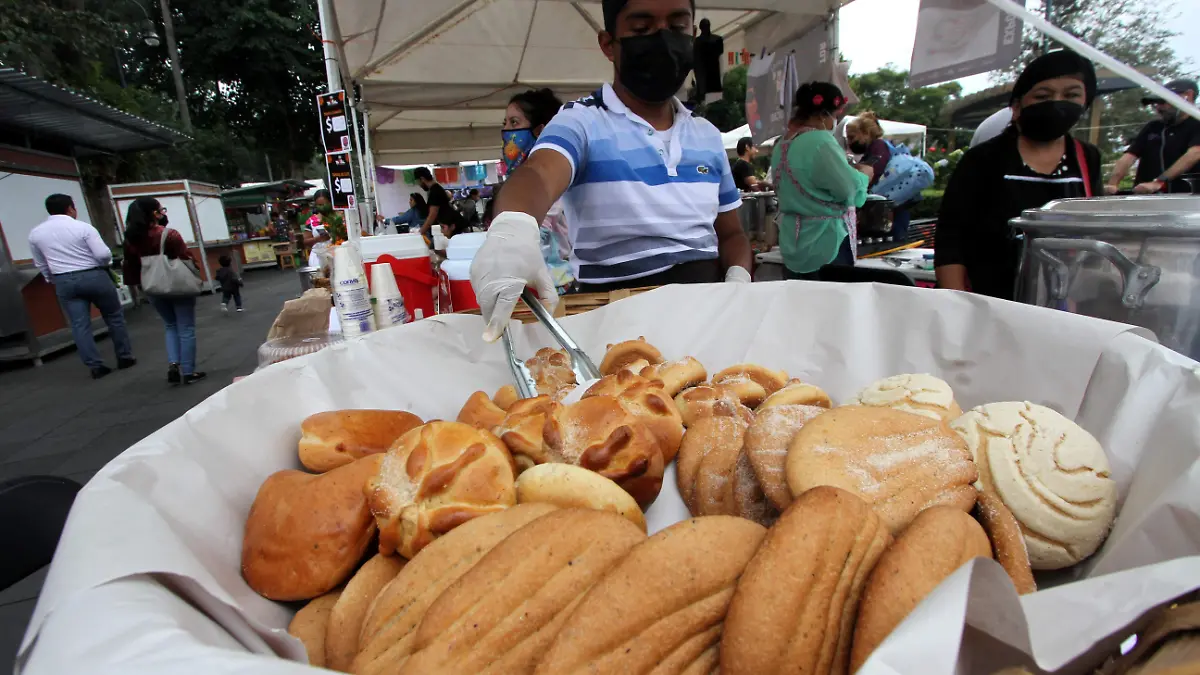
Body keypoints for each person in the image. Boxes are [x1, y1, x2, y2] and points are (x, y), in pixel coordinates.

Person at [471, 0, 753, 340]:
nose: (662, 40)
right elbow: (539, 173)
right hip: (612, 326)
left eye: (677, 28)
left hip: (708, 318)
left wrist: (739, 277)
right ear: (608, 44)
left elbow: (732, 233)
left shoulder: (706, 135)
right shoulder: (582, 122)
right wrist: (513, 225)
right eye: (641, 30)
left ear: (692, 35)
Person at [935, 49, 1102, 300]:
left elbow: (1097, 232)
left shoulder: (1088, 159)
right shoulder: (983, 159)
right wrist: (955, 303)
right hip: (989, 300)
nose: (1057, 103)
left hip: (1066, 302)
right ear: (1017, 106)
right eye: (1043, 95)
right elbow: (950, 238)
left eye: (1071, 95)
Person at [771, 81, 872, 279]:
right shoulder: (821, 141)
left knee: (800, 306)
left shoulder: (782, 144)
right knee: (830, 306)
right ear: (823, 114)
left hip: (794, 240)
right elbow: (847, 190)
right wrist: (863, 176)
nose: (834, 121)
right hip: (825, 241)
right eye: (835, 116)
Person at [28, 194, 135, 379]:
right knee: (114, 317)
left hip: (64, 280)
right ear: (70, 208)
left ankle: (96, 366)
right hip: (94, 275)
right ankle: (124, 357)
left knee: (79, 325)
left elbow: (41, 263)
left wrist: (52, 278)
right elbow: (102, 255)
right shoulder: (83, 227)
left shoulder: (36, 234)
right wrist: (105, 264)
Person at [122, 197, 207, 385]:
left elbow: (131, 266)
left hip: (152, 286)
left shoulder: (131, 239)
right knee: (186, 327)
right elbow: (185, 257)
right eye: (162, 209)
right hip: (178, 285)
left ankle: (173, 363)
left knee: (170, 325)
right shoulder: (169, 234)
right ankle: (188, 371)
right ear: (155, 213)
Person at [503, 87, 573, 287]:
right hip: (534, 288)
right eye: (505, 123)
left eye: (514, 122)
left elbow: (537, 229)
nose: (507, 131)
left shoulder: (552, 176)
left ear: (540, 131)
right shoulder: (520, 179)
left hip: (558, 288)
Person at [1105, 78, 1200, 195]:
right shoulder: (1153, 127)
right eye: (1156, 104)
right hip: (1146, 197)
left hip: (1186, 199)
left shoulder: (1197, 124)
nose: (1158, 108)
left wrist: (1159, 182)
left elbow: (1195, 153)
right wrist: (1113, 184)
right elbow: (1129, 156)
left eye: (1163, 102)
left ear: (1188, 96)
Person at [414, 167, 466, 240]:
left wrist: (420, 232)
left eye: (418, 182)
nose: (419, 185)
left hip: (451, 226)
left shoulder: (434, 191)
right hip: (451, 224)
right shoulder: (437, 188)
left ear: (422, 179)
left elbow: (432, 215)